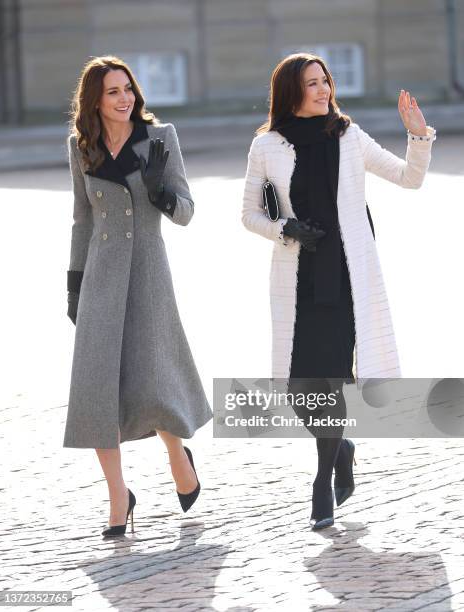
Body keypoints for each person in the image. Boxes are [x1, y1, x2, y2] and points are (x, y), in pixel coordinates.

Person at [241, 53, 436, 530]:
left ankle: (322, 479)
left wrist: (418, 135)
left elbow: (409, 178)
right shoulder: (267, 145)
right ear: (291, 91)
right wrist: (285, 227)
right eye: (312, 83)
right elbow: (249, 215)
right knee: (299, 388)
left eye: (325, 81)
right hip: (297, 278)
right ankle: (341, 447)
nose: (323, 90)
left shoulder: (348, 136)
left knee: (330, 378)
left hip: (346, 278)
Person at [63, 55, 213, 537]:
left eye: (128, 88)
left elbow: (187, 211)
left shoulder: (159, 137)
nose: (124, 98)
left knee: (153, 381)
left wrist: (161, 194)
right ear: (95, 100)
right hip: (101, 278)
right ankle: (117, 496)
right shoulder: (80, 146)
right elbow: (82, 220)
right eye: (112, 92)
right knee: (96, 390)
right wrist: (74, 283)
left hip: (148, 272)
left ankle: (176, 454)